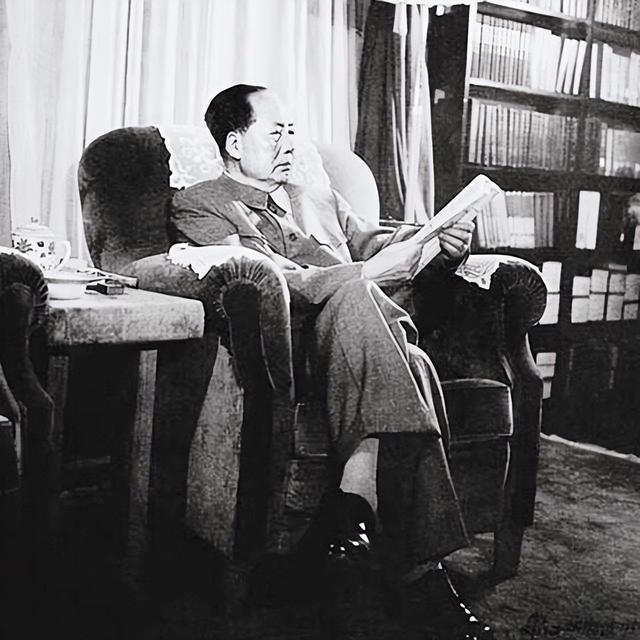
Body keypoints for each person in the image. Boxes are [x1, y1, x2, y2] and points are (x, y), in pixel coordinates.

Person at [168, 84, 493, 639]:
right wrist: (367, 274)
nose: (289, 143)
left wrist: (441, 245)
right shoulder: (201, 203)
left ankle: (356, 517)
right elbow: (271, 281)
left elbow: (379, 242)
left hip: (363, 343)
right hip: (289, 351)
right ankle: (419, 573)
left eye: (292, 131)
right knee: (390, 336)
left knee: (399, 344)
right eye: (275, 132)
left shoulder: (318, 197)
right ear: (234, 143)